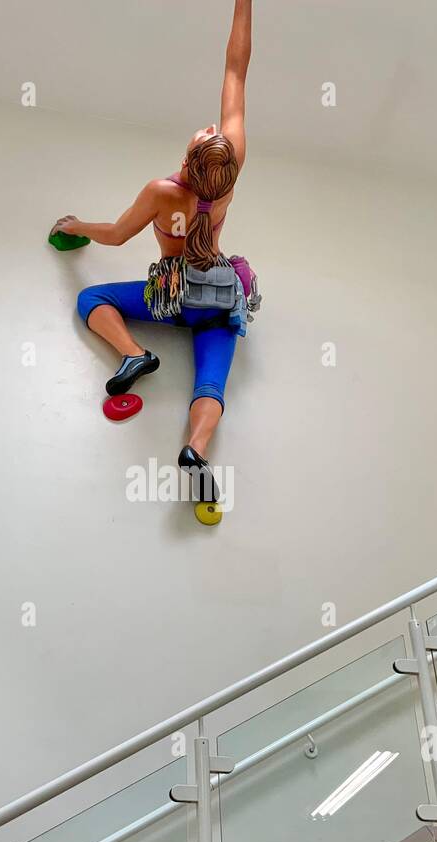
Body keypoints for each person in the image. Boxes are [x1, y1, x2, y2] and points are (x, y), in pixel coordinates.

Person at [53, 0, 254, 503]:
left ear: (189, 155)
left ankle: (135, 354)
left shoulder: (164, 192)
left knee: (92, 299)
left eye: (206, 133)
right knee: (212, 385)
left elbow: (118, 235)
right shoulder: (231, 170)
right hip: (222, 296)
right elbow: (237, 69)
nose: (210, 127)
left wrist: (78, 225)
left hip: (175, 294)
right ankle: (196, 450)